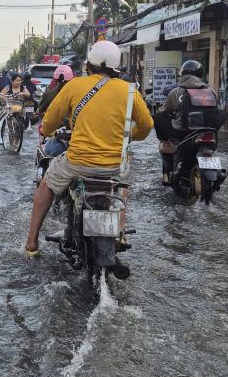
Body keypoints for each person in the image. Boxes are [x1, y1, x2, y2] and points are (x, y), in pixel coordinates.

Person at [26, 41, 152, 255]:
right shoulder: (130, 91)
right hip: (113, 167)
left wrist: (45, 131)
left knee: (47, 183)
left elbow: (50, 121)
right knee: (121, 190)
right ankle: (119, 232)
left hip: (77, 164)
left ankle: (32, 242)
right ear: (116, 67)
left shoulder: (75, 86)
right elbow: (147, 126)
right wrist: (129, 137)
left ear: (89, 65)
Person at [36, 64, 75, 158]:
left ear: (55, 79)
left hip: (55, 134)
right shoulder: (77, 93)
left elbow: (41, 113)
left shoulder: (49, 94)